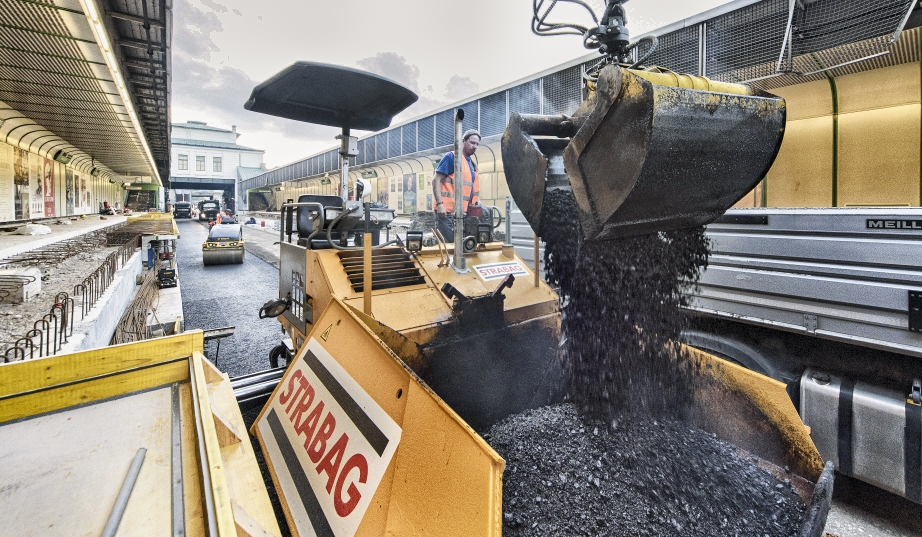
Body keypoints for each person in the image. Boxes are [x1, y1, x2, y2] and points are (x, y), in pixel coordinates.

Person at [432, 129, 481, 242]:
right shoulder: (451, 157)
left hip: (462, 213)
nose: (475, 146)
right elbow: (436, 180)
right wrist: (440, 204)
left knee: (462, 245)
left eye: (477, 144)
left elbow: (469, 189)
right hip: (447, 212)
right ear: (463, 141)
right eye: (472, 143)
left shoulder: (471, 163)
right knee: (450, 245)